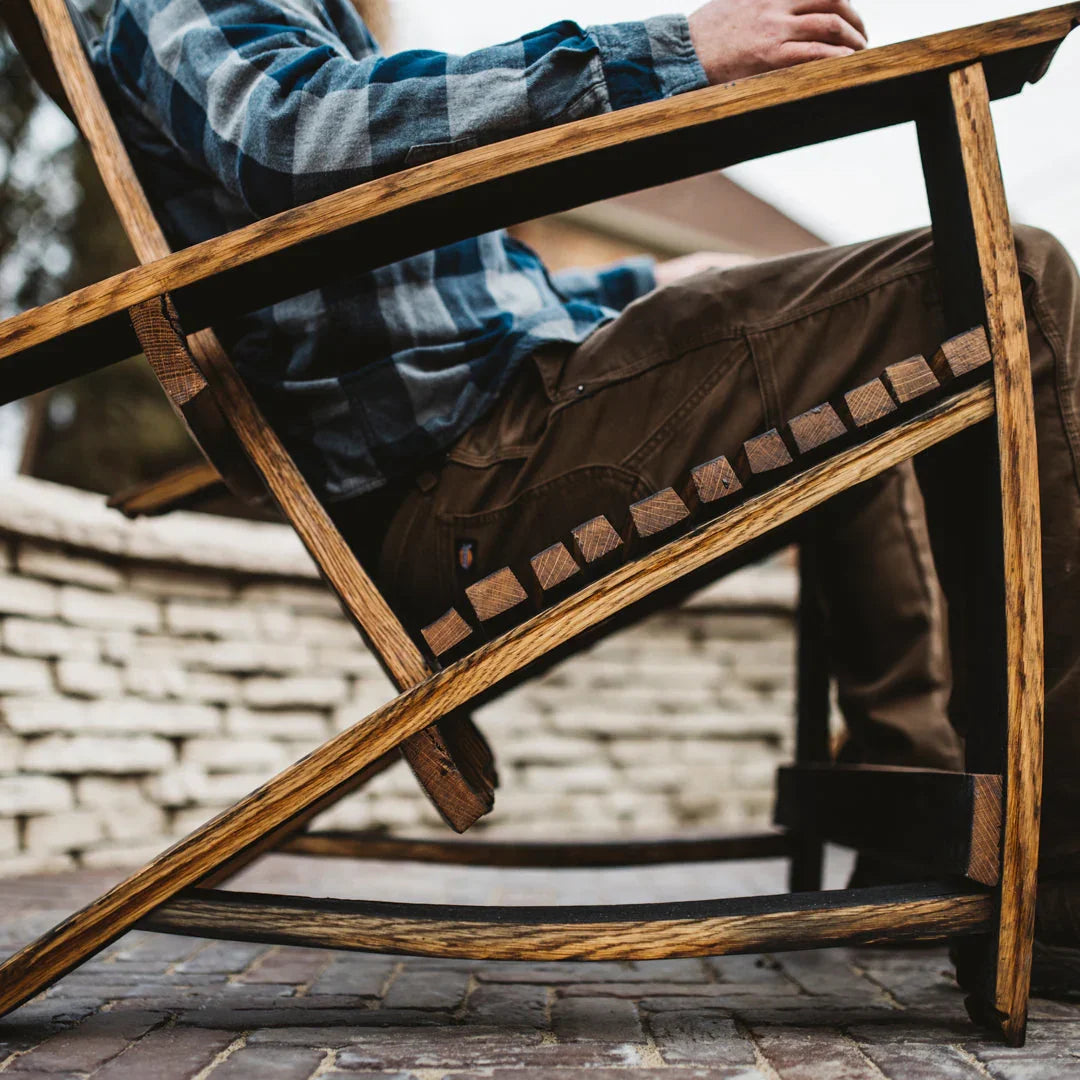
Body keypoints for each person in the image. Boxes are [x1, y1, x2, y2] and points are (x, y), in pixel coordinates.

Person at [92, 0, 1080, 990]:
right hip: (477, 480)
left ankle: (912, 808)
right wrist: (678, 51)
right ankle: (1066, 865)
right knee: (1008, 279)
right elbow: (296, 134)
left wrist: (643, 282)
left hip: (499, 438)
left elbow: (456, 309)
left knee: (861, 378)